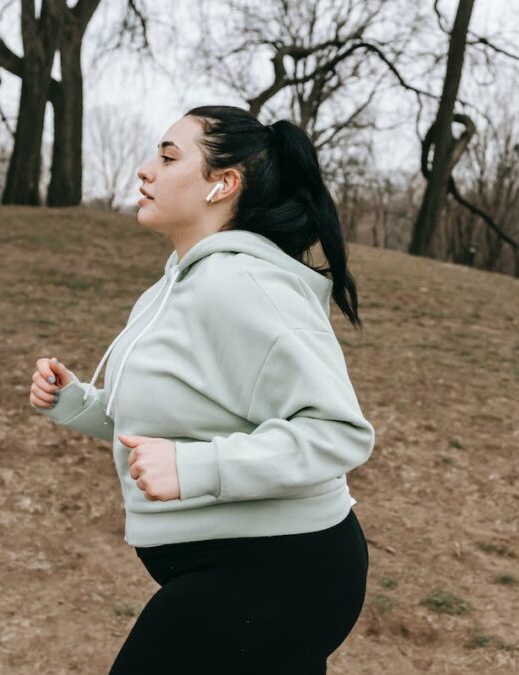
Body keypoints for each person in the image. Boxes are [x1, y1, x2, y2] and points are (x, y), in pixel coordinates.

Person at [28, 105, 374, 674]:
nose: (145, 170)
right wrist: (78, 403)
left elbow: (338, 433)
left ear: (224, 184)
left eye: (167, 157)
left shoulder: (246, 285)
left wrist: (198, 468)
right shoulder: (175, 283)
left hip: (284, 570)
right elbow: (171, 428)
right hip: (236, 566)